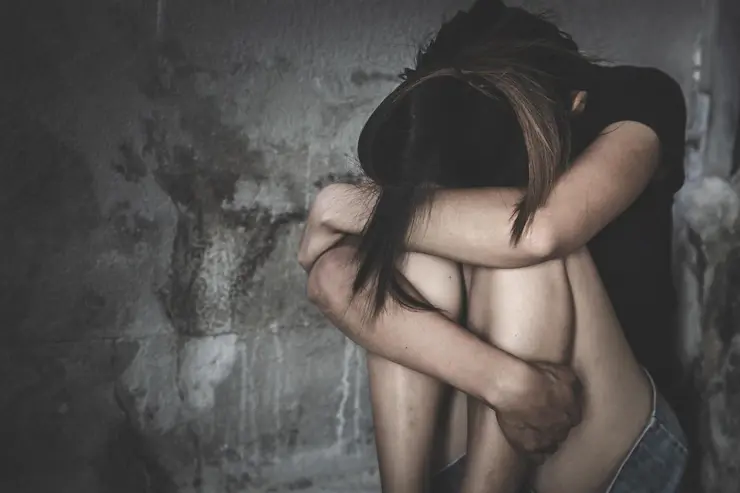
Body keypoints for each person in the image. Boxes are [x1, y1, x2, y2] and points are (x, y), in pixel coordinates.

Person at [298, 1, 691, 492]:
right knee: (415, 252)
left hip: (615, 446)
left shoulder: (639, 99)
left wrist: (350, 205)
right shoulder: (459, 133)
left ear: (575, 106)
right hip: (501, 424)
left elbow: (544, 231)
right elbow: (331, 279)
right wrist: (506, 383)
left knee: (521, 255)